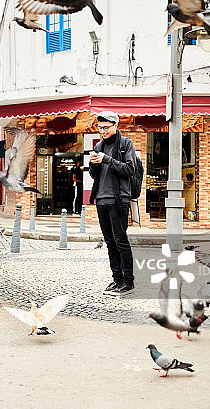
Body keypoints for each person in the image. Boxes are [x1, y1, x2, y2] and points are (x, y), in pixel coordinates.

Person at [88, 111, 137, 296]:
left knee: (120, 240)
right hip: (101, 199)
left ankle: (128, 281)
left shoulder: (126, 144)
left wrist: (107, 159)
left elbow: (130, 169)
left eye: (106, 127)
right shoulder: (99, 145)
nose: (102, 131)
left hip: (119, 200)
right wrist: (94, 164)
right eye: (100, 127)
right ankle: (117, 279)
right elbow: (96, 176)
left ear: (116, 125)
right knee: (109, 242)